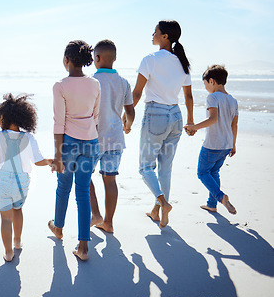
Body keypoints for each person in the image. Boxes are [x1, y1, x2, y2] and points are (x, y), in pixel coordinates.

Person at [0, 93, 52, 262]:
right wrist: (52, 161)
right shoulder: (29, 138)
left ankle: (8, 252)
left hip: (2, 182)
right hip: (22, 183)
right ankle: (17, 241)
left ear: (6, 118)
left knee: (5, 219)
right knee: (18, 210)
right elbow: (38, 161)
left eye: (0, 117)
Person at [131, 20, 194, 228]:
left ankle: (163, 203)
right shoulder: (182, 63)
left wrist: (127, 115)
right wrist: (191, 121)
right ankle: (157, 212)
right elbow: (189, 97)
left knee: (145, 167)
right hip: (176, 116)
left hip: (155, 116)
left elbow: (138, 93)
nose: (153, 34)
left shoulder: (150, 60)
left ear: (165, 36)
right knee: (165, 169)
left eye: (156, 31)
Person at [48, 40, 100, 261]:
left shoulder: (60, 85)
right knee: (82, 192)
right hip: (91, 142)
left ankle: (58, 227)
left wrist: (58, 155)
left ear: (67, 60)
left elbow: (59, 122)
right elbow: (95, 117)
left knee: (63, 187)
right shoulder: (95, 84)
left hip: (69, 142)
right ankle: (83, 247)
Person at [89, 39, 135, 233]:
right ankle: (108, 222)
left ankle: (95, 213)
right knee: (110, 180)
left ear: (96, 58)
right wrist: (127, 125)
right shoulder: (123, 82)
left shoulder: (91, 81)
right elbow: (130, 112)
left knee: (84, 177)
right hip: (115, 139)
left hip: (93, 139)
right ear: (114, 59)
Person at [184, 65, 237, 214]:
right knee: (214, 173)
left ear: (211, 81)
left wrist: (194, 127)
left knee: (202, 173)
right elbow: (234, 124)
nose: (205, 87)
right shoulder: (233, 100)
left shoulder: (212, 97)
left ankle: (221, 197)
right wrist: (233, 144)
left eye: (205, 83)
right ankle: (211, 204)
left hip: (213, 145)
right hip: (226, 145)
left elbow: (213, 119)